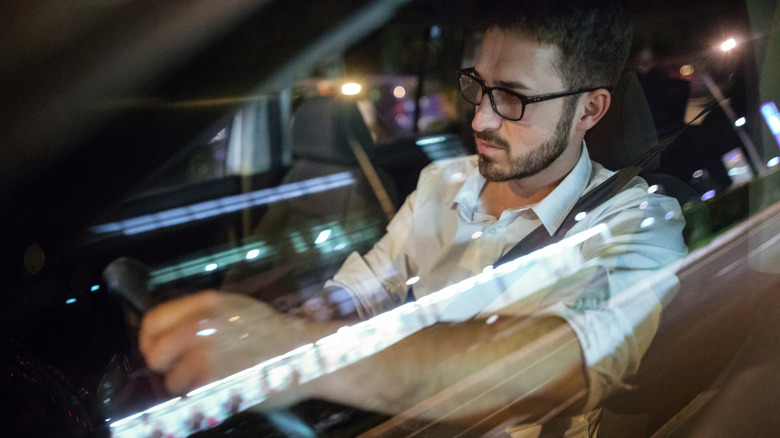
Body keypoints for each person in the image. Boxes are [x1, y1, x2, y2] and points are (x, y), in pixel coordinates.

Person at [139, 1, 687, 436]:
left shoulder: (638, 222)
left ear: (589, 110)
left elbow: (561, 358)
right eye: (478, 86)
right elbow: (368, 289)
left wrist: (290, 355)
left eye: (514, 98)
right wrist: (280, 320)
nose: (481, 117)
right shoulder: (443, 181)